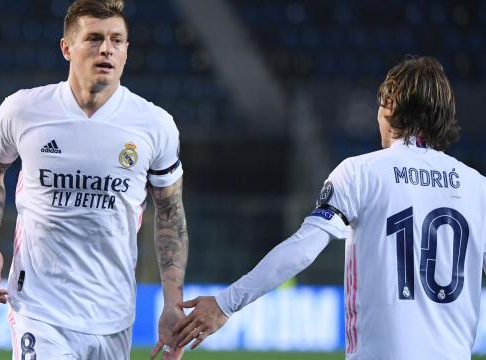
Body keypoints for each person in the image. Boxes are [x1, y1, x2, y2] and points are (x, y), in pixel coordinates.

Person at [173, 56, 486, 359]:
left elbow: (302, 249)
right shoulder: (477, 187)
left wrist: (226, 303)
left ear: (390, 107)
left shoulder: (360, 172)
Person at [0, 1, 188, 359]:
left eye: (117, 40)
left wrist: (172, 301)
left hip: (113, 314)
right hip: (40, 310)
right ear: (66, 47)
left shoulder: (155, 124)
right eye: (94, 38)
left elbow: (170, 214)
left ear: (127, 50)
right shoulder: (23, 110)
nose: (107, 49)